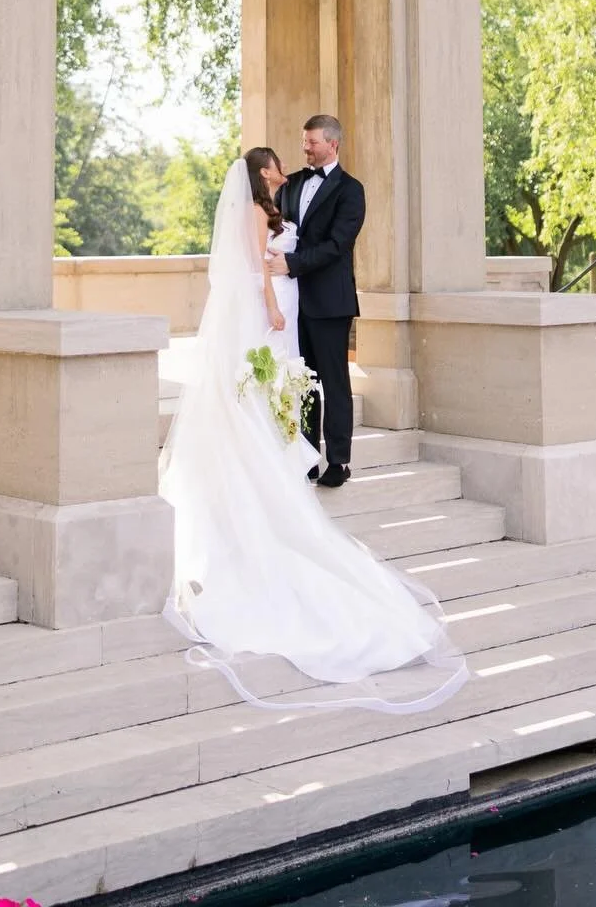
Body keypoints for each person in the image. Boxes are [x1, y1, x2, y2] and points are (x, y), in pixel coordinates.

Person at [158, 149, 465, 712]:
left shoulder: (332, 191)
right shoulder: (261, 205)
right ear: (262, 173)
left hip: (299, 305)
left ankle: (318, 461)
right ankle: (277, 471)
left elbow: (322, 244)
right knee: (268, 393)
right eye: (275, 161)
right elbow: (254, 268)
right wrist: (273, 304)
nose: (288, 164)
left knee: (291, 390)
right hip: (269, 310)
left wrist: (281, 286)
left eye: (299, 150)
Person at [268, 115, 363, 488]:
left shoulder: (351, 190)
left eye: (312, 142)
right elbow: (280, 229)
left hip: (330, 302)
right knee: (300, 382)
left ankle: (338, 462)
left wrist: (291, 264)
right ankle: (306, 456)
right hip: (293, 303)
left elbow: (338, 245)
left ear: (333, 144)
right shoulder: (290, 186)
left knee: (334, 383)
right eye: (304, 141)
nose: (305, 148)